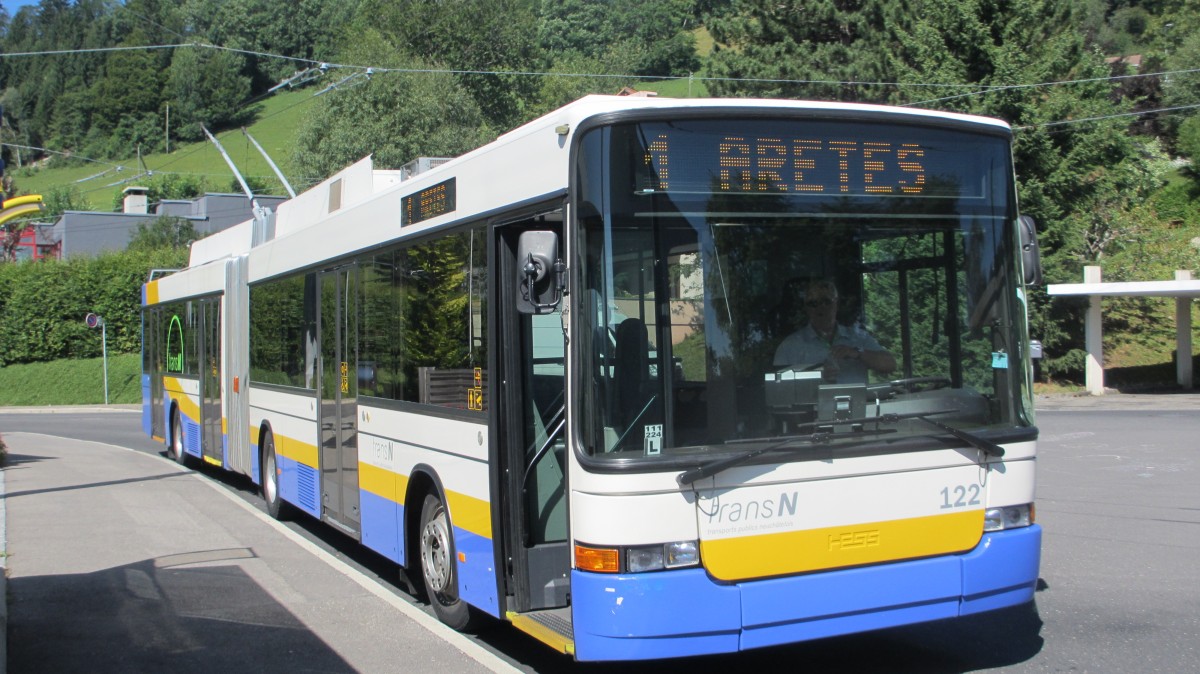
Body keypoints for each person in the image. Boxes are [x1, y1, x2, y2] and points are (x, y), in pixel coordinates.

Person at [773, 278, 896, 383]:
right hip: (812, 411)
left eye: (826, 301)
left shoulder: (857, 338)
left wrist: (858, 353)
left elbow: (890, 364)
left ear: (836, 303)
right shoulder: (790, 347)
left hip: (857, 408)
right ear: (806, 308)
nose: (820, 308)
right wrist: (817, 375)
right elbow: (777, 387)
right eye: (813, 303)